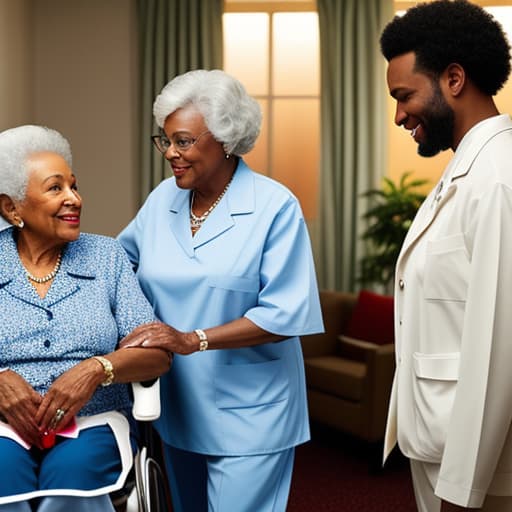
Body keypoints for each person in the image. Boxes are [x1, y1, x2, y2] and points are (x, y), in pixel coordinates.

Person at [117, 69, 324, 511]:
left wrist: (193, 339)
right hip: (177, 406)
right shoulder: (162, 200)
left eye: (184, 141)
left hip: (251, 413)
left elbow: (285, 314)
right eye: (166, 140)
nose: (171, 153)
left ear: (226, 139)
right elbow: (117, 266)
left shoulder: (274, 207)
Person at [380, 1, 512, 511]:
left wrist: (462, 491)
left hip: (478, 471)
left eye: (404, 95)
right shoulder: (467, 172)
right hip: (440, 442)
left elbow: (497, 349)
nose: (398, 115)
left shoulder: (497, 180)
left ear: (454, 78)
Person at [0, 125, 171, 512]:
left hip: (93, 420)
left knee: (73, 481)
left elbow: (157, 354)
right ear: (12, 208)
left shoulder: (107, 257)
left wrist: (96, 369)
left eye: (74, 186)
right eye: (55, 188)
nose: (74, 199)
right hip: (2, 427)